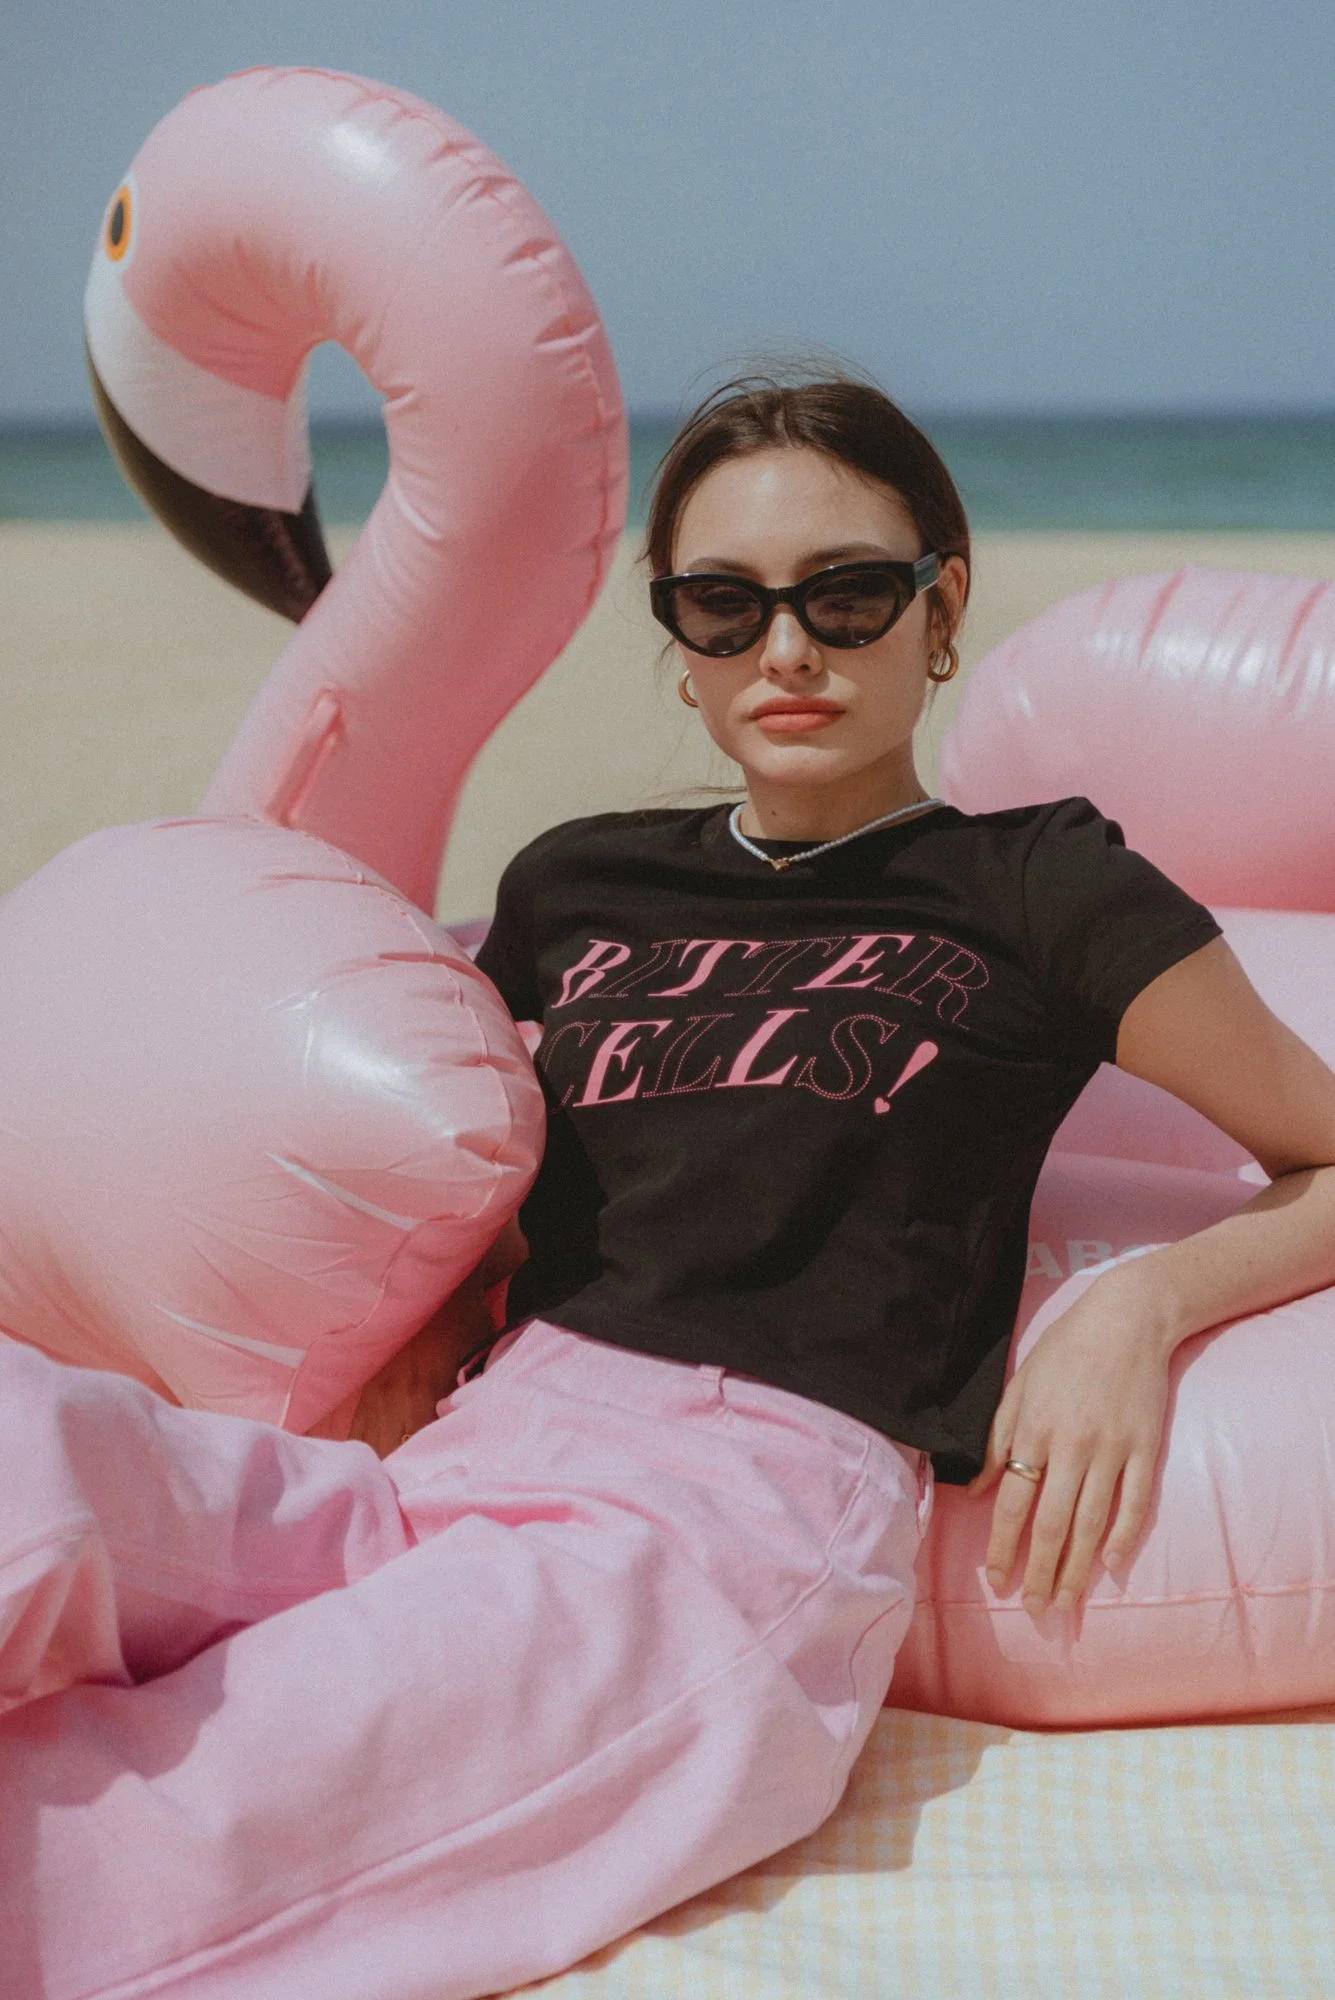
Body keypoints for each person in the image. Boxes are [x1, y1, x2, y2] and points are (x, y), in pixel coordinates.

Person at [3, 374, 1335, 2000]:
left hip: (736, 1510)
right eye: (725, 607)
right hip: (470, 1445)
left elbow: (1324, 1148)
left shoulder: (1040, 880)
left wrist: (1141, 1303)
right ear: (679, 638)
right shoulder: (575, 878)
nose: (787, 651)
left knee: (177, 1824)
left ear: (943, 604)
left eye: (846, 596)